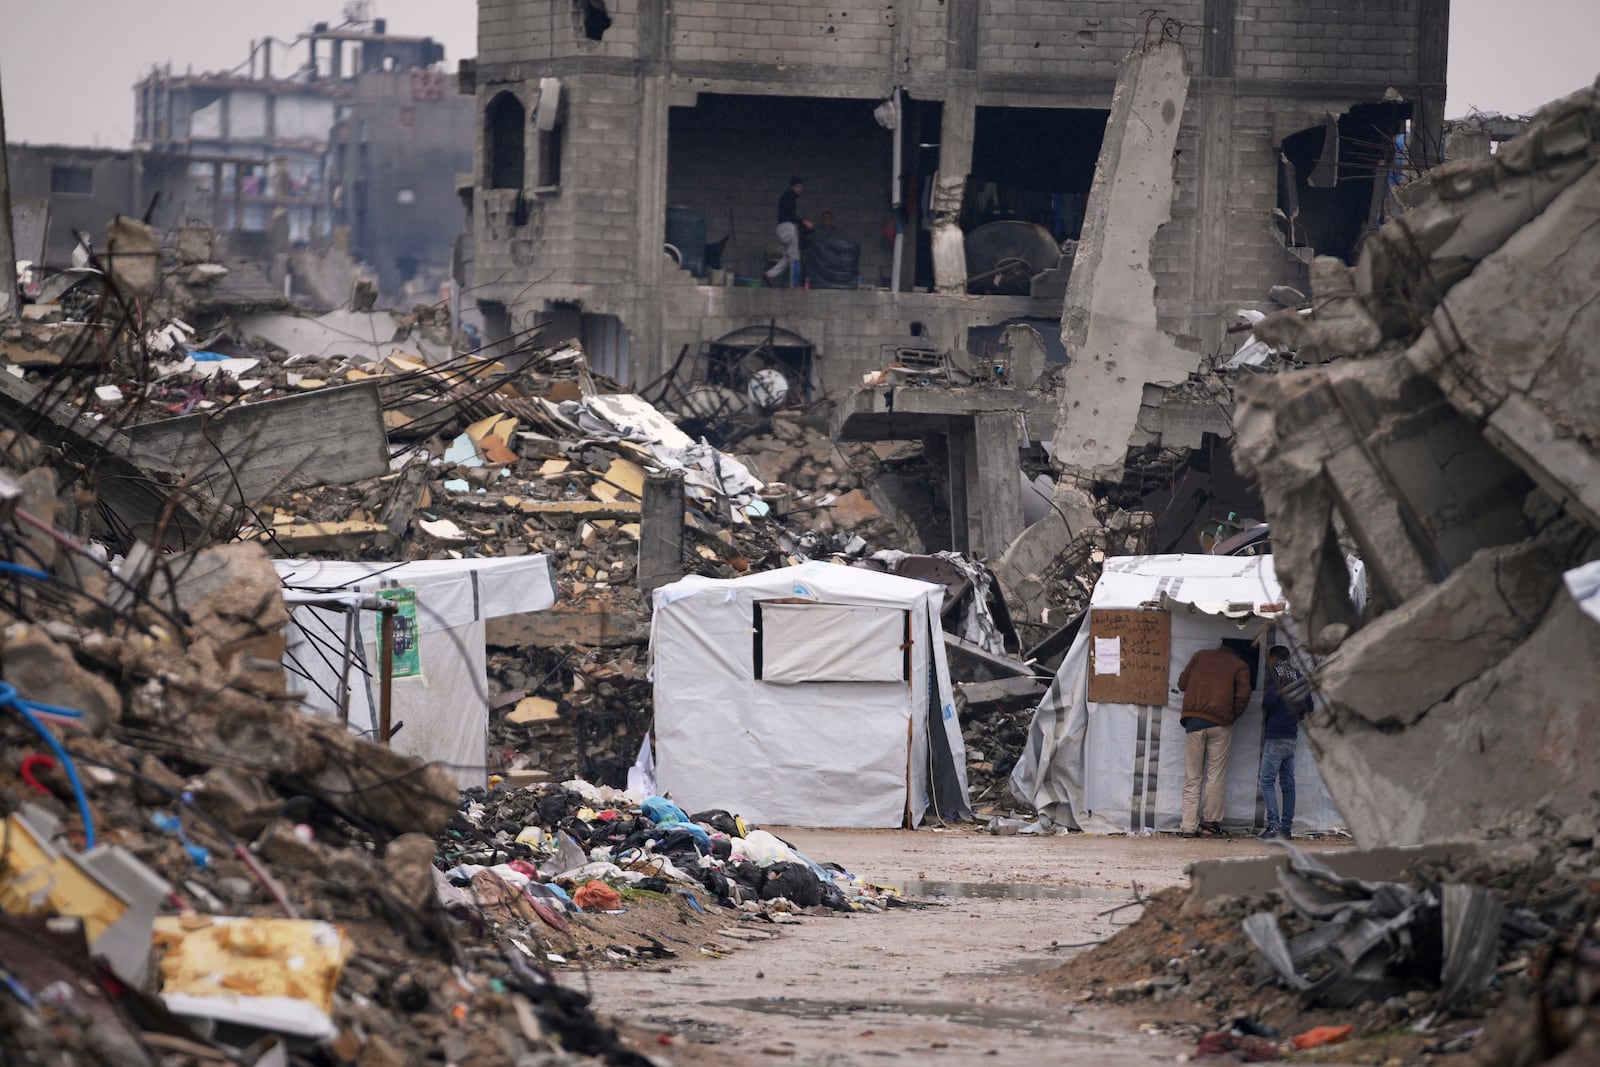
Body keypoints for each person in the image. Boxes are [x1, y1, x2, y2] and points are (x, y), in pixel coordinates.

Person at [1176, 640, 1251, 838]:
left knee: (1192, 776)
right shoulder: (1239, 665)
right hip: (1220, 724)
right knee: (1215, 775)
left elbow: (1182, 683)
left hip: (1193, 722)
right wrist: (1232, 715)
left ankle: (1188, 827)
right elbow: (1244, 696)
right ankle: (1209, 824)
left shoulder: (1200, 655)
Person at [1258, 645, 1311, 839]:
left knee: (1266, 782)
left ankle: (1273, 826)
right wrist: (1293, 716)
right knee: (1288, 784)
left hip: (1276, 735)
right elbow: (1309, 706)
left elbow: (1268, 703)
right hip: (1291, 735)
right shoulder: (1299, 676)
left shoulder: (1275, 675)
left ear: (1274, 658)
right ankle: (1286, 829)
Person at [764, 176, 811, 287]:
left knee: (788, 255)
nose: (800, 189)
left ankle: (770, 273)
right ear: (792, 187)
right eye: (798, 187)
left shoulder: (786, 197)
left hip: (781, 228)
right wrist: (804, 222)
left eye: (801, 187)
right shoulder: (790, 197)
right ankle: (794, 284)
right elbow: (790, 215)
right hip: (787, 228)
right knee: (795, 257)